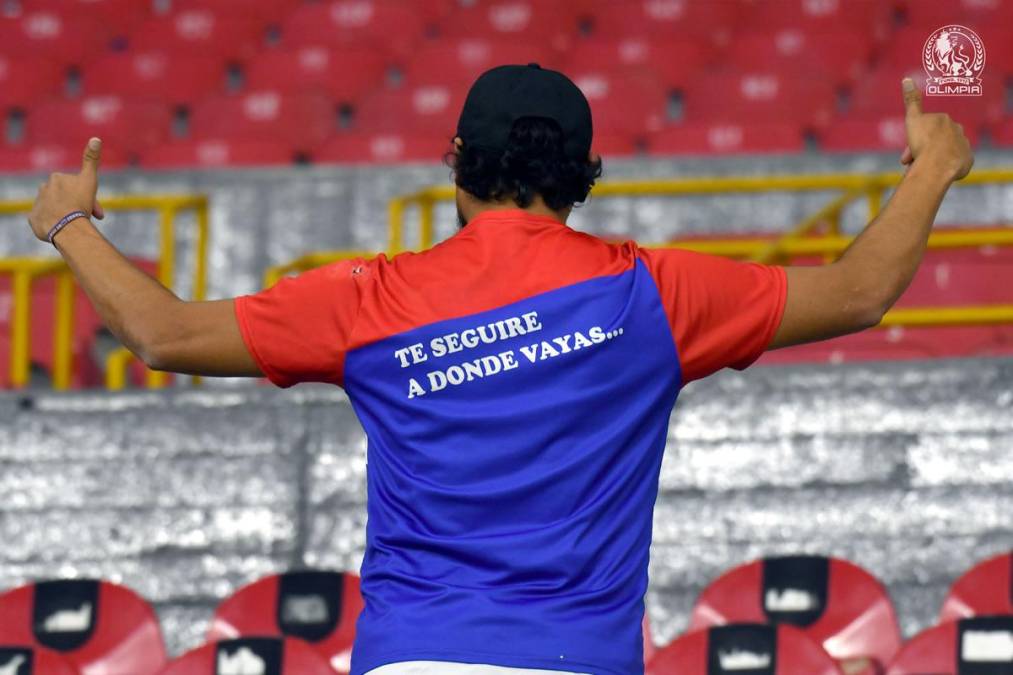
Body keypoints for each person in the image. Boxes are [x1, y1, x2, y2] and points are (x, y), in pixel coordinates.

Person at [27, 65, 972, 675]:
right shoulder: (652, 295)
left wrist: (68, 223)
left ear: (456, 163)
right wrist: (929, 168)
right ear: (583, 173)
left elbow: (160, 335)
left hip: (411, 659)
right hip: (580, 658)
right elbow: (857, 293)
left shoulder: (369, 297)